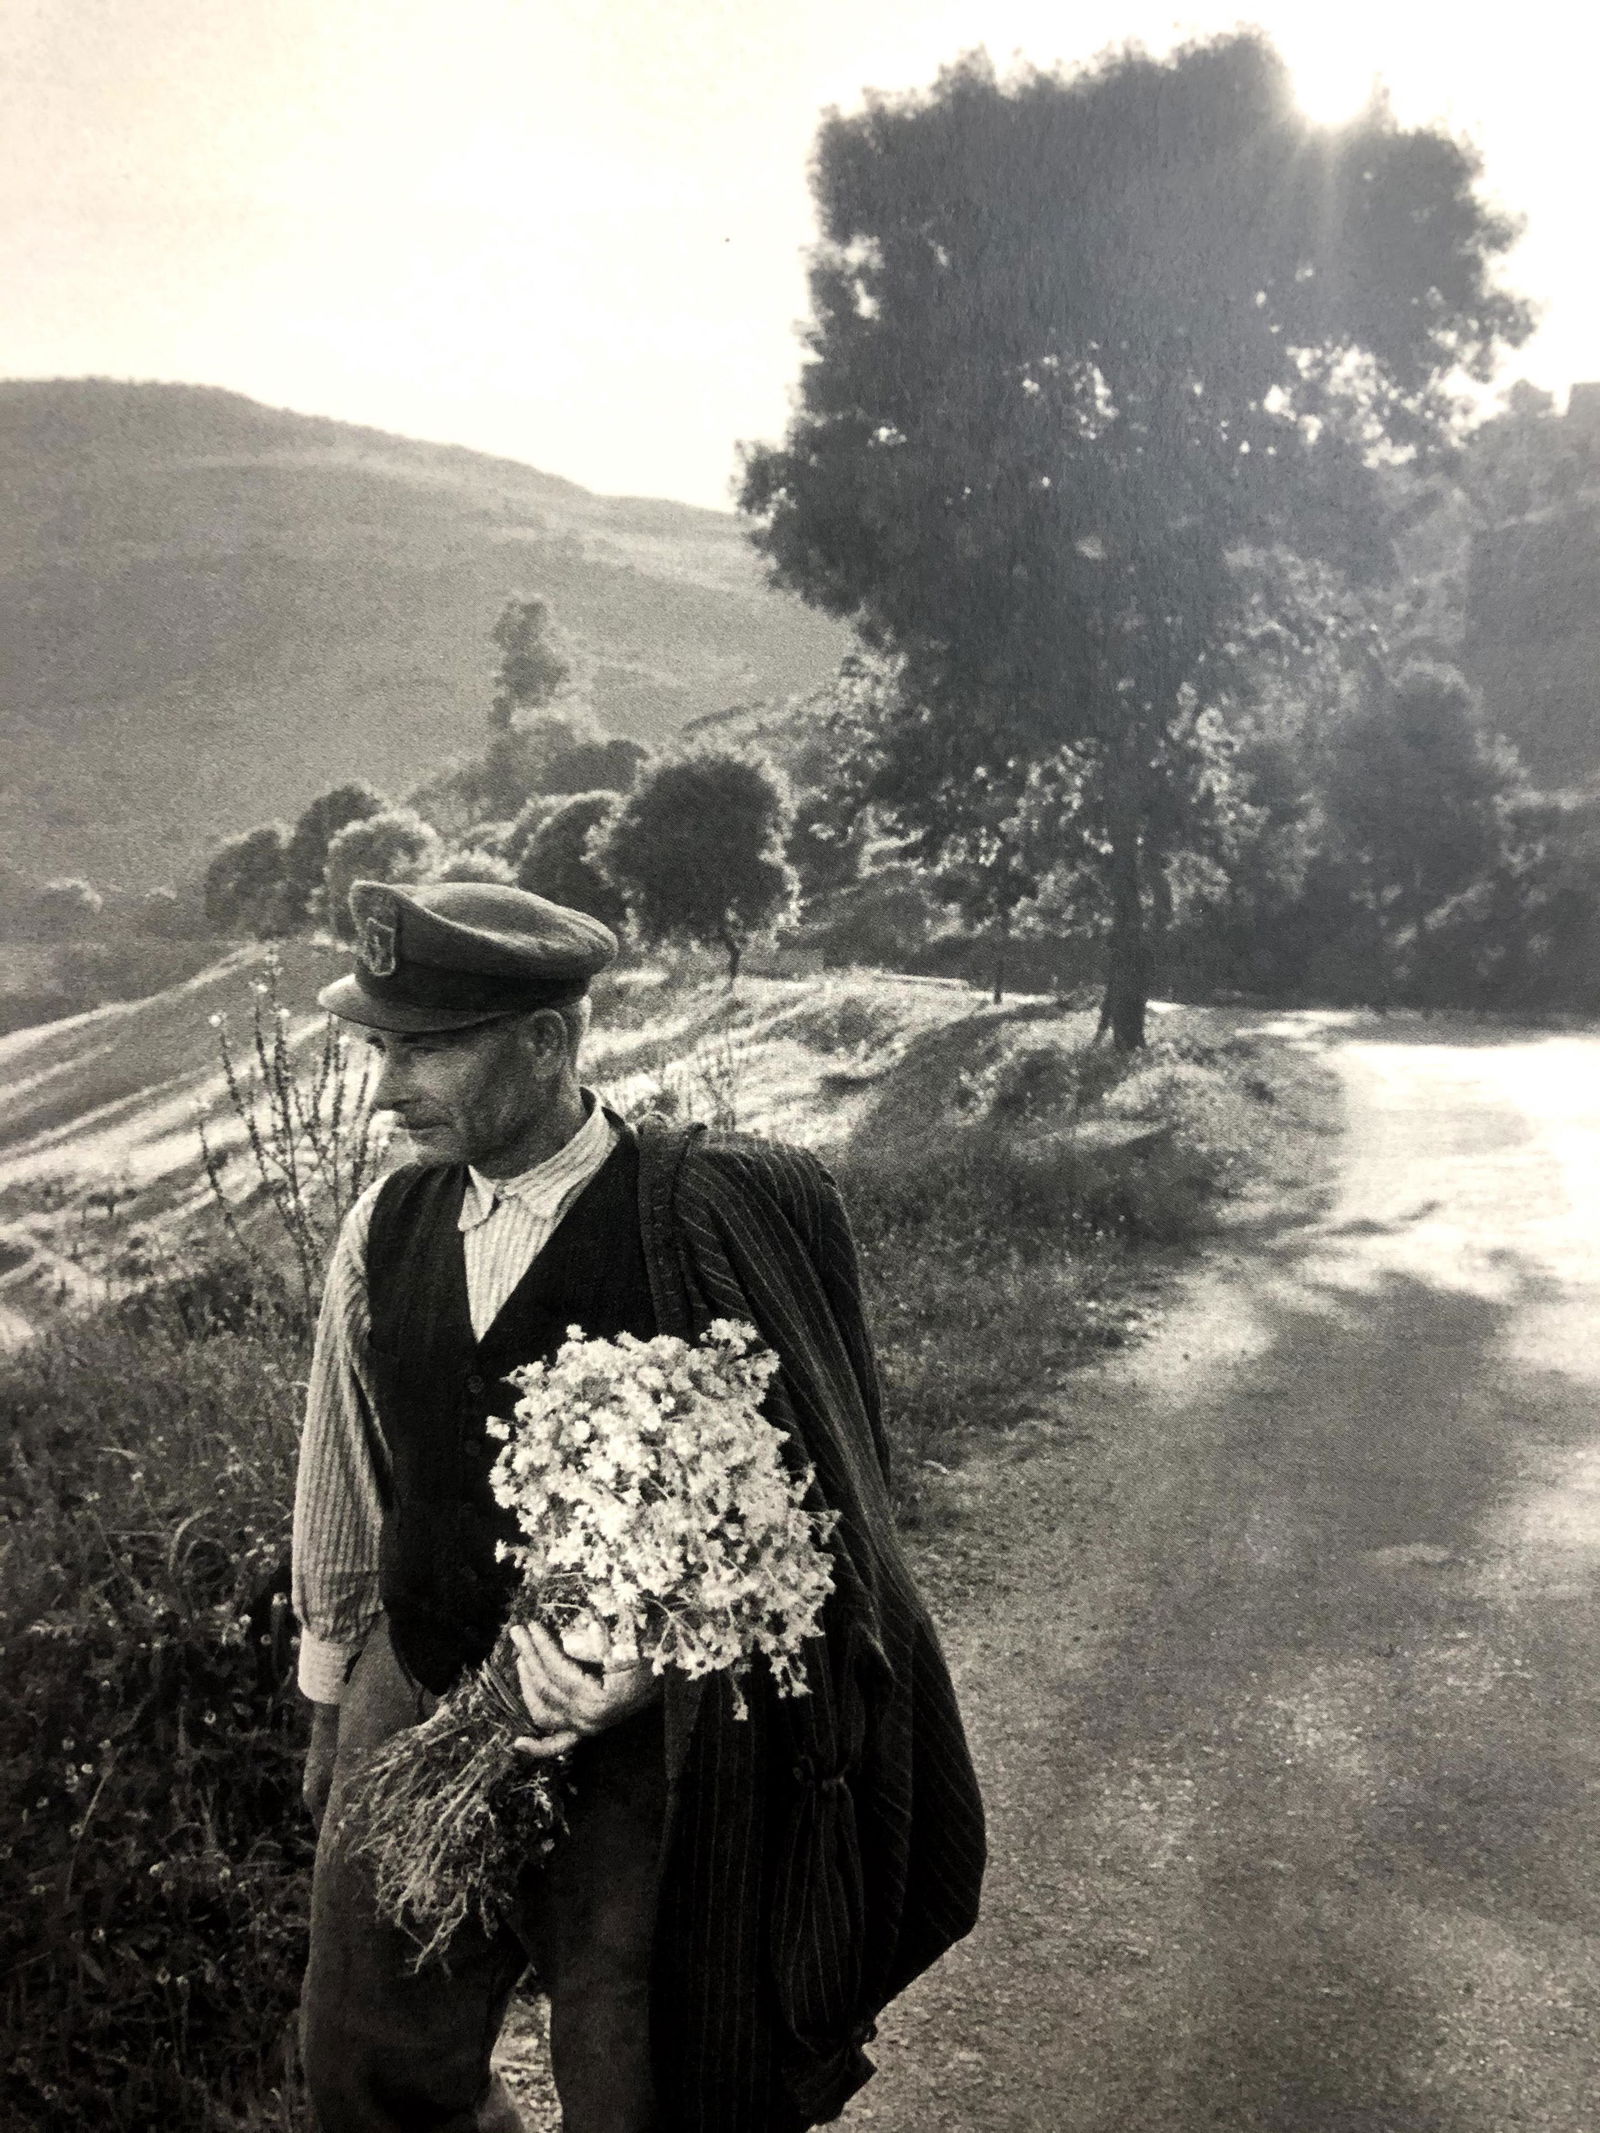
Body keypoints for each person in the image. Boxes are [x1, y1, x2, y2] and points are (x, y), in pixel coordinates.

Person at [293, 877, 985, 2133]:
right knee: (370, 2066)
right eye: (379, 1048)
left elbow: (815, 1510)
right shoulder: (382, 1225)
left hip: (644, 1737)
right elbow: (346, 1469)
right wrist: (335, 1691)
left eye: (430, 1049)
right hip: (423, 1669)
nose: (387, 1090)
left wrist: (652, 1666)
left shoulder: (706, 1220)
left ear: (550, 1039)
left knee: (636, 2074)